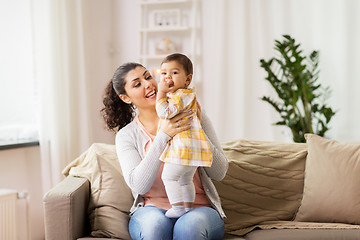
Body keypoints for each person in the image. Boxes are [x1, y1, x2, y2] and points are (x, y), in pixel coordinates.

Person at [101, 60, 228, 240]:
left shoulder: (192, 111)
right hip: (152, 210)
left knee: (189, 227)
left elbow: (219, 172)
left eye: (148, 77)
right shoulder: (126, 135)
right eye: (137, 84)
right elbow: (138, 185)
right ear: (126, 98)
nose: (148, 84)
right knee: (154, 228)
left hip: (198, 208)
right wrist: (164, 136)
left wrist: (197, 129)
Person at [156, 53, 212, 218]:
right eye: (164, 73)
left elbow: (165, 112)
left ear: (187, 79)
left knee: (168, 177)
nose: (167, 78)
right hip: (192, 150)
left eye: (174, 73)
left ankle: (178, 208)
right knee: (185, 180)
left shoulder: (179, 95)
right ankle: (187, 207)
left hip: (183, 148)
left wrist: (161, 94)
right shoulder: (189, 96)